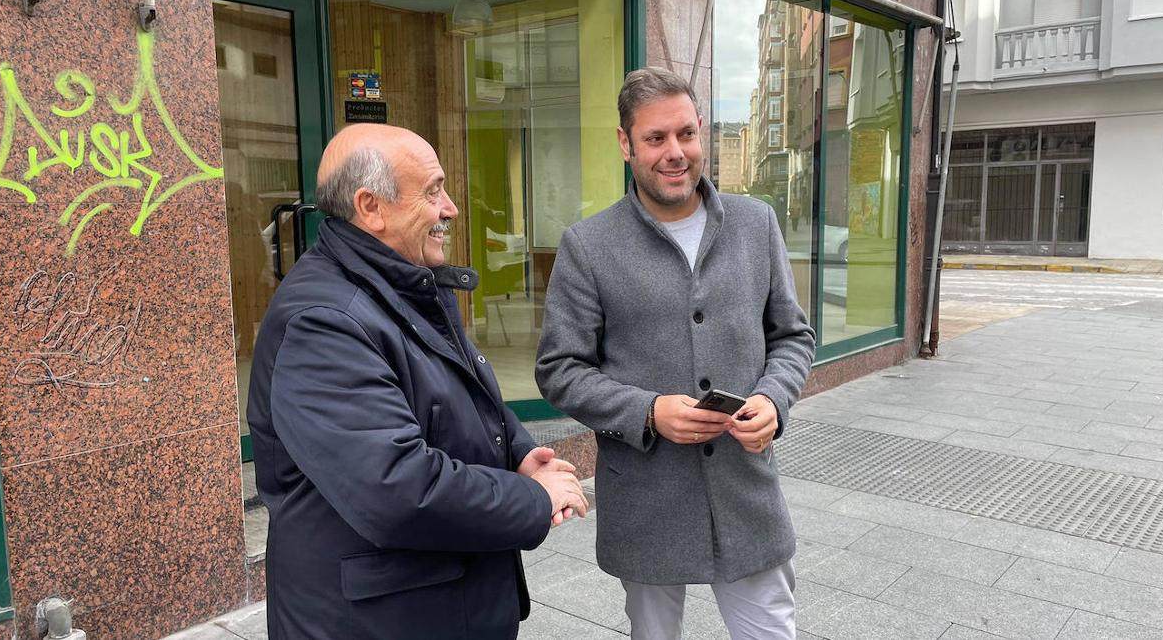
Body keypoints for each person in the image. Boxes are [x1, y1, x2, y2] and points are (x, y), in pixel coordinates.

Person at [247, 123, 588, 640]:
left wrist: (515, 449)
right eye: (432, 191)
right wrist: (533, 499)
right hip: (374, 622)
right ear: (371, 207)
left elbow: (456, 393)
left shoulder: (402, 283)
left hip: (430, 604)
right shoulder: (324, 321)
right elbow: (394, 489)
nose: (450, 208)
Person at [536, 67, 816, 640]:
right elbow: (560, 369)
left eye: (687, 134)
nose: (675, 153)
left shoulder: (755, 223)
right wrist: (647, 411)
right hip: (646, 496)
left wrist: (774, 399)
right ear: (625, 144)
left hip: (746, 489)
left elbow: (792, 336)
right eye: (656, 138)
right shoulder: (588, 246)